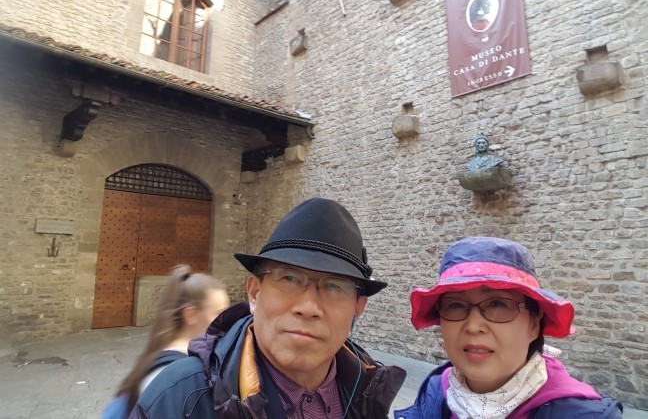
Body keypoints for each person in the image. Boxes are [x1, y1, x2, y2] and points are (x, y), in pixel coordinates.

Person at [130, 197, 407, 418]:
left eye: (335, 286)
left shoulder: (368, 393)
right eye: (289, 278)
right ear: (254, 292)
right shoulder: (181, 398)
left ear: (358, 307)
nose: (308, 307)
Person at [394, 236, 623, 419]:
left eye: (498, 304)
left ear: (534, 324)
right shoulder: (436, 390)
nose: (473, 326)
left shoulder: (581, 414)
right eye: (455, 305)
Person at [101, 265, 230, 419]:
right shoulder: (172, 375)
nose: (227, 322)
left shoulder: (167, 352)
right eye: (219, 314)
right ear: (191, 314)